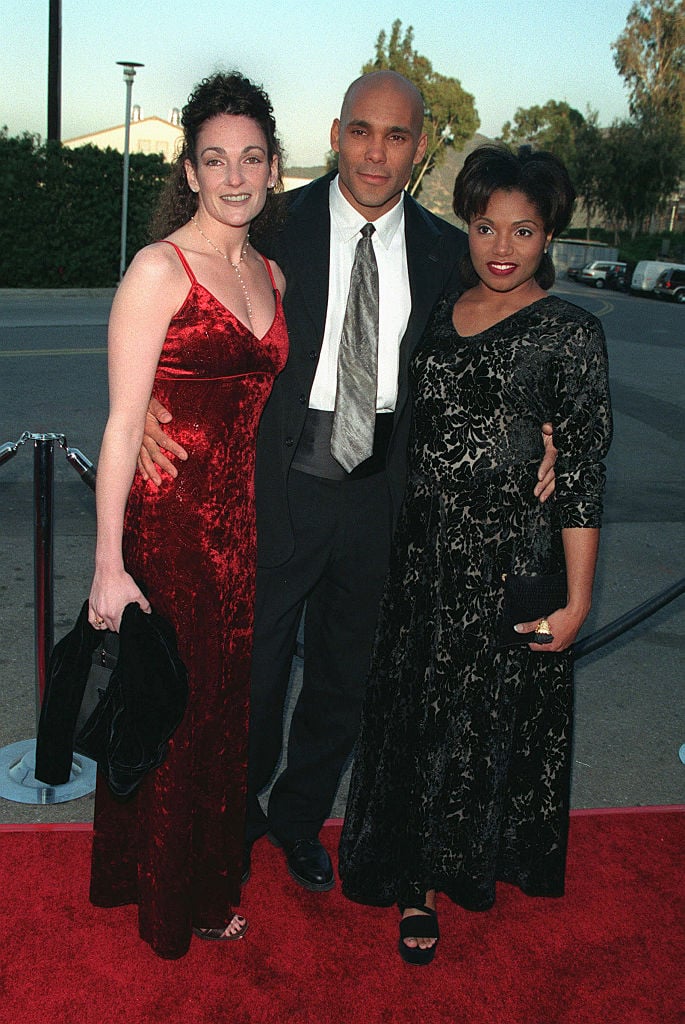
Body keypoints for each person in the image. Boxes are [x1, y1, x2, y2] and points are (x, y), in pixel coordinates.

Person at [139, 73, 556, 894]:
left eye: (396, 136)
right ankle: (238, 803)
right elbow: (180, 300)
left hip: (381, 493)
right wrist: (154, 392)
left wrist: (545, 422)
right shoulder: (271, 223)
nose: (376, 151)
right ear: (334, 134)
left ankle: (297, 820)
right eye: (361, 131)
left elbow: (512, 317)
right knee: (251, 674)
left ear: (421, 147)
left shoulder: (444, 248)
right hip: (276, 483)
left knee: (344, 676)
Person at [338, 144, 612, 965]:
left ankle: (461, 861)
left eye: (522, 230)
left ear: (547, 234)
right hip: (421, 557)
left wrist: (578, 597)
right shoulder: (442, 308)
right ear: (467, 223)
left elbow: (585, 475)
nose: (501, 246)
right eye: (486, 225)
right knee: (417, 717)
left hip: (504, 560)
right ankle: (414, 879)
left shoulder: (571, 333)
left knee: (480, 720)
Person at [87, 72, 288, 959]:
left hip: (240, 533)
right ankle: (175, 903)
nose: (234, 176)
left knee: (218, 715)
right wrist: (106, 564)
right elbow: (124, 424)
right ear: (191, 170)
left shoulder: (270, 271)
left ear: (275, 168)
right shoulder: (157, 269)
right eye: (216, 159)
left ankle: (192, 877)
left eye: (250, 157)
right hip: (167, 529)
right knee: (172, 707)